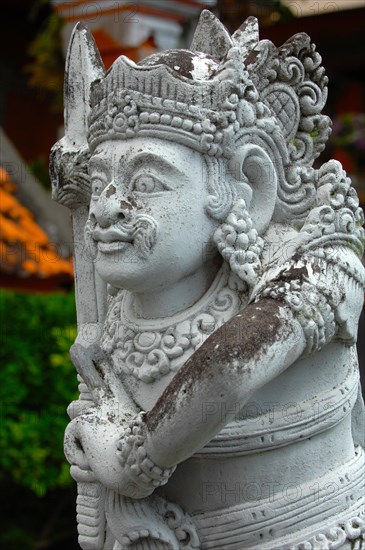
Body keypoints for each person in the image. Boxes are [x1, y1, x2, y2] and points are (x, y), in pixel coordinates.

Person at [52, 11, 365, 549]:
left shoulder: (318, 267)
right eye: (100, 181)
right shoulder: (123, 308)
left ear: (244, 186)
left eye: (146, 180)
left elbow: (232, 370)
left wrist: (135, 457)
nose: (105, 208)